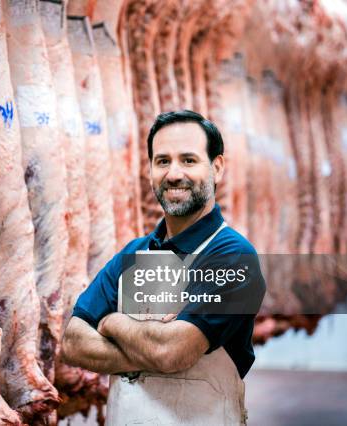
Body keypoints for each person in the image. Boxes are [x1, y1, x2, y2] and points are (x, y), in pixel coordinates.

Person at [60, 110, 266, 425]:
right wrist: (151, 348)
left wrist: (112, 323)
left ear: (217, 167)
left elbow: (173, 352)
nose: (173, 174)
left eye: (188, 160)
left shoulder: (232, 256)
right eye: (163, 161)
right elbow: (73, 343)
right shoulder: (133, 253)